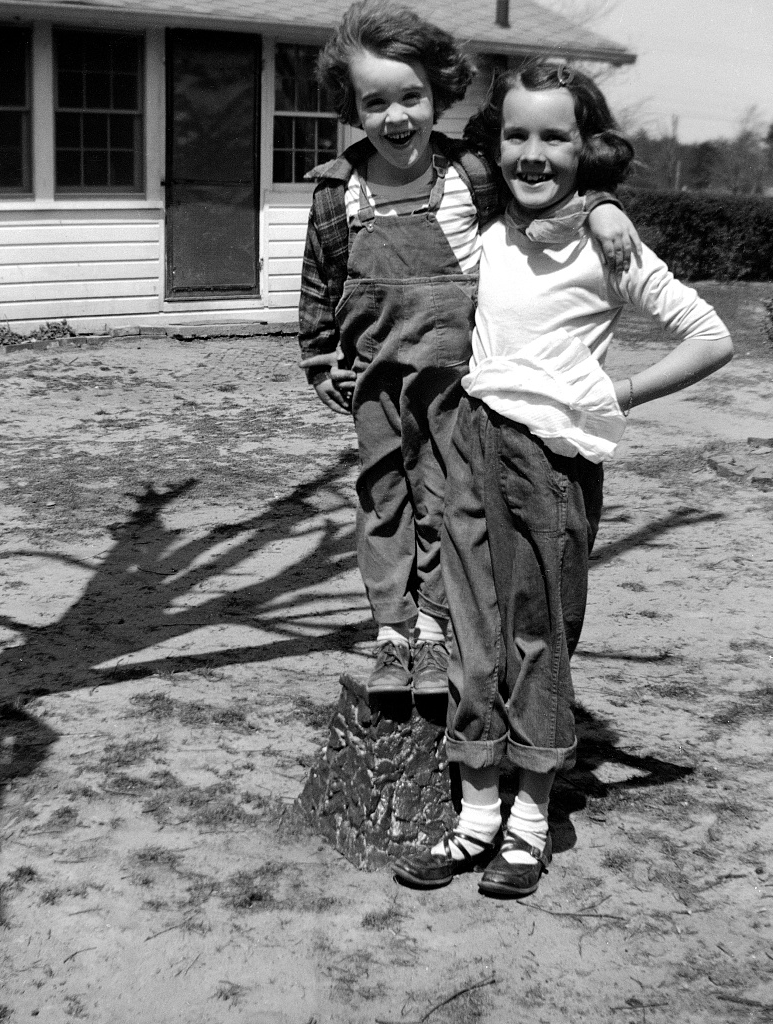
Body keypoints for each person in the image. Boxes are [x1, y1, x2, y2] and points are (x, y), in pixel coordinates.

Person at [392, 60, 733, 896]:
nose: (533, 153)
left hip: (550, 463)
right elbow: (414, 157)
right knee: (470, 633)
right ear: (495, 144)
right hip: (471, 443)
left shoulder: (607, 243)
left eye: (555, 136)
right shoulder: (487, 226)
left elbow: (709, 337)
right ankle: (475, 817)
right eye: (516, 135)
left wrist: (615, 393)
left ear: (588, 147)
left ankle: (528, 823)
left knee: (537, 639)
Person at [298, 2, 639, 697]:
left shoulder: (470, 176)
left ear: (439, 95)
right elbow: (319, 282)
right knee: (382, 498)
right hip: (375, 381)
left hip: (457, 381)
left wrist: (602, 204)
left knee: (445, 499)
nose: (396, 116)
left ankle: (431, 632)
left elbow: (547, 192)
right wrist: (319, 356)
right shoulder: (337, 193)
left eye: (411, 97)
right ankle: (390, 635)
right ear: (351, 108)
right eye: (375, 102)